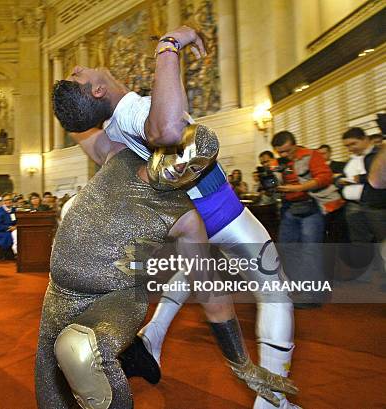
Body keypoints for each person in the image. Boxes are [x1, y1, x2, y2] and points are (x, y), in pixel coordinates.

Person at [52, 24, 299, 409]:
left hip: (185, 221)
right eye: (77, 76)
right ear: (98, 91)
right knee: (276, 292)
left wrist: (75, 112)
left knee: (195, 273)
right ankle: (274, 402)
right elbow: (166, 129)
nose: (79, 68)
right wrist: (170, 44)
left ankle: (153, 336)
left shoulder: (111, 138)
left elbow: (85, 134)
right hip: (223, 212)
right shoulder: (131, 110)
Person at [35, 139, 296, 409]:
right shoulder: (125, 149)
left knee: (79, 352)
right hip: (68, 287)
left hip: (197, 224)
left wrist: (242, 364)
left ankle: (272, 404)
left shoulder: (181, 212)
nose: (182, 166)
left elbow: (210, 295)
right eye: (180, 154)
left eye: (193, 167)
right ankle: (152, 339)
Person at [272, 131, 345, 308]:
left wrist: (299, 187)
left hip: (311, 205)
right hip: (289, 208)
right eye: (279, 152)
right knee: (287, 248)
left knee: (310, 249)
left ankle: (313, 295)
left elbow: (325, 177)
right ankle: (299, 286)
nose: (283, 155)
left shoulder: (311, 155)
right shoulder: (279, 163)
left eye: (287, 151)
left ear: (295, 145)